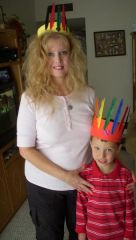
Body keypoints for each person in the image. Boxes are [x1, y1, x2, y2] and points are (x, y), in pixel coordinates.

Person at [16, 18, 95, 240]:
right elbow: (25, 149)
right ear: (40, 58)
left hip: (82, 183)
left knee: (82, 235)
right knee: (49, 236)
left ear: (73, 55)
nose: (58, 60)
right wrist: (66, 177)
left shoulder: (88, 94)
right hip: (44, 187)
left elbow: (99, 140)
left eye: (64, 52)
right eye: (50, 54)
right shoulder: (30, 98)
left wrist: (118, 171)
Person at [76, 99, 136, 240]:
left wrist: (128, 235)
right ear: (91, 145)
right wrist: (81, 235)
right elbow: (81, 209)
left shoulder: (125, 176)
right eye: (97, 148)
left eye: (108, 149)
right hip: (93, 235)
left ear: (118, 149)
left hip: (118, 235)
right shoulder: (85, 176)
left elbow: (130, 210)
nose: (102, 155)